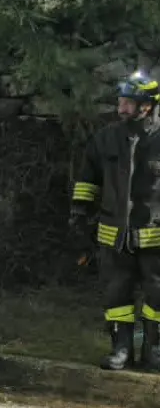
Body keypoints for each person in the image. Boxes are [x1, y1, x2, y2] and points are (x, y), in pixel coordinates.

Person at [70, 70, 160, 371]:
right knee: (116, 295)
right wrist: (79, 215)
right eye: (120, 102)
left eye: (127, 104)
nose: (121, 109)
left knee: (157, 297)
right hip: (114, 236)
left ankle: (153, 351)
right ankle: (121, 349)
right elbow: (87, 180)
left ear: (147, 106)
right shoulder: (106, 138)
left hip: (155, 237)